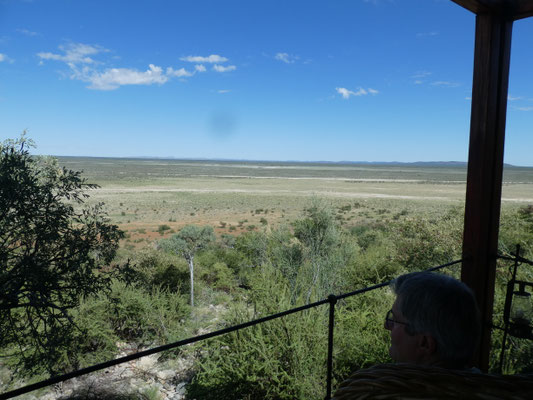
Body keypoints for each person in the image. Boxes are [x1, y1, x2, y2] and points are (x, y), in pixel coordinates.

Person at [384, 271, 481, 369]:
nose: (386, 325)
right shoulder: (479, 379)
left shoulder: (385, 383)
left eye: (395, 320)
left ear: (425, 343)